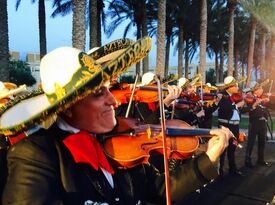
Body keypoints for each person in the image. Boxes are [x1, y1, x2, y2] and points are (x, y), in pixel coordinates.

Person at [1, 38, 232, 205]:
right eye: (99, 93)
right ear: (67, 107)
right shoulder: (36, 153)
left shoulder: (118, 141)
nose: (113, 100)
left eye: (108, 89)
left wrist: (209, 157)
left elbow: (159, 189)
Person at [216, 76, 246, 177]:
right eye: (236, 86)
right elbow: (225, 108)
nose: (238, 88)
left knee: (232, 148)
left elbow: (236, 110)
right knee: (223, 149)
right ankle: (219, 171)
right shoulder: (223, 96)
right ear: (230, 87)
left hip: (235, 127)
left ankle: (233, 169)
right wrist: (237, 105)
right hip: (226, 127)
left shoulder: (233, 97)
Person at [245, 80, 271, 168]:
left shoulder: (261, 99)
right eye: (260, 88)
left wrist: (265, 100)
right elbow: (250, 109)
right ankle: (247, 160)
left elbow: (264, 109)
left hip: (262, 123)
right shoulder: (251, 98)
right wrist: (256, 103)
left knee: (262, 142)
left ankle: (261, 159)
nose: (262, 90)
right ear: (256, 90)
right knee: (251, 142)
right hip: (254, 123)